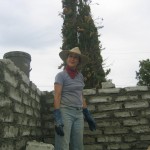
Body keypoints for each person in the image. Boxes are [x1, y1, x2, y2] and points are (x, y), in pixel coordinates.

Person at [53, 47, 96, 150]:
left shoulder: (80, 76)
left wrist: (87, 113)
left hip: (78, 114)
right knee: (63, 145)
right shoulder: (60, 75)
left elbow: (81, 95)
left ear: (78, 61)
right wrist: (57, 116)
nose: (72, 59)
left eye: (75, 57)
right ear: (67, 59)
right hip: (65, 112)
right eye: (70, 56)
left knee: (78, 146)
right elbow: (57, 95)